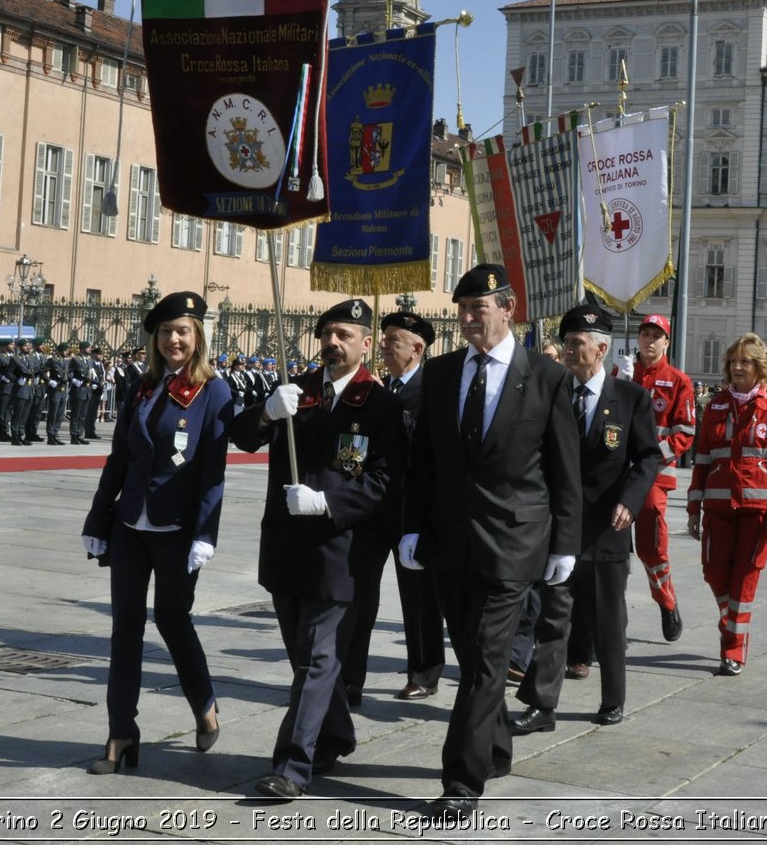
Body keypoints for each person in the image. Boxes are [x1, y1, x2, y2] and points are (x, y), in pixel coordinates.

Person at [397, 264, 581, 819]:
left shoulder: (546, 377)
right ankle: (496, 749)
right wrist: (411, 527)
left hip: (514, 543)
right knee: (475, 655)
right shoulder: (444, 372)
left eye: (480, 308)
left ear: (508, 308)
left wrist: (565, 543)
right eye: (463, 310)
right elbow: (422, 461)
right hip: (450, 542)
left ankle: (461, 783)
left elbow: (564, 468)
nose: (470, 319)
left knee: (483, 665)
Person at [232, 299, 406, 800]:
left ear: (366, 343)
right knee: (302, 655)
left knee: (317, 658)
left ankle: (292, 767)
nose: (333, 342)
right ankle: (337, 732)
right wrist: (265, 412)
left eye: (345, 335)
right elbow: (242, 438)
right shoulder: (296, 391)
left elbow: (385, 482)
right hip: (286, 546)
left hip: (341, 549)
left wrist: (327, 501)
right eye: (327, 333)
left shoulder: (381, 405)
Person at [80, 292, 231, 775]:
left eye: (183, 331)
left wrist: (206, 533)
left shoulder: (213, 391)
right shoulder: (142, 387)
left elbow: (212, 471)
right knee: (124, 628)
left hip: (177, 530)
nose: (173, 340)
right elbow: (119, 459)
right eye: (166, 332)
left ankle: (204, 704)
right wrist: (98, 520)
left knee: (172, 619)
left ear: (199, 336)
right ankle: (120, 733)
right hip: (130, 524)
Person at [509, 304, 661, 734]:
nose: (571, 351)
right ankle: (542, 705)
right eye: (568, 343)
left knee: (607, 620)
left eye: (578, 344)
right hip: (557, 529)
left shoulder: (631, 399)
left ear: (602, 349)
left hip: (605, 528)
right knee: (553, 618)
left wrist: (630, 502)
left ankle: (613, 698)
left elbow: (648, 457)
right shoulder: (551, 391)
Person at [342, 311, 445, 704]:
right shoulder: (377, 390)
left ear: (417, 348)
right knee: (359, 595)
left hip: (412, 510)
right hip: (372, 510)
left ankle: (424, 671)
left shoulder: (432, 390)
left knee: (418, 596)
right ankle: (350, 678)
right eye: (382, 338)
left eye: (393, 340)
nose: (383, 345)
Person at [685, 333, 767, 676]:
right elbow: (701, 459)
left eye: (745, 362)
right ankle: (731, 621)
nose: (737, 367)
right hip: (717, 509)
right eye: (733, 361)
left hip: (756, 512)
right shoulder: (715, 405)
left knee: (744, 582)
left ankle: (732, 649)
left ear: (760, 368)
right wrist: (693, 507)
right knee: (714, 573)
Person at [627, 313, 696, 641]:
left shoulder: (679, 381)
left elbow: (685, 432)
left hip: (654, 476)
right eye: (645, 334)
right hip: (617, 475)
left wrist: (651, 456)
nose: (649, 341)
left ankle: (666, 601)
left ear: (667, 341)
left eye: (657, 336)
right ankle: (610, 618)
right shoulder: (623, 373)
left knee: (652, 547)